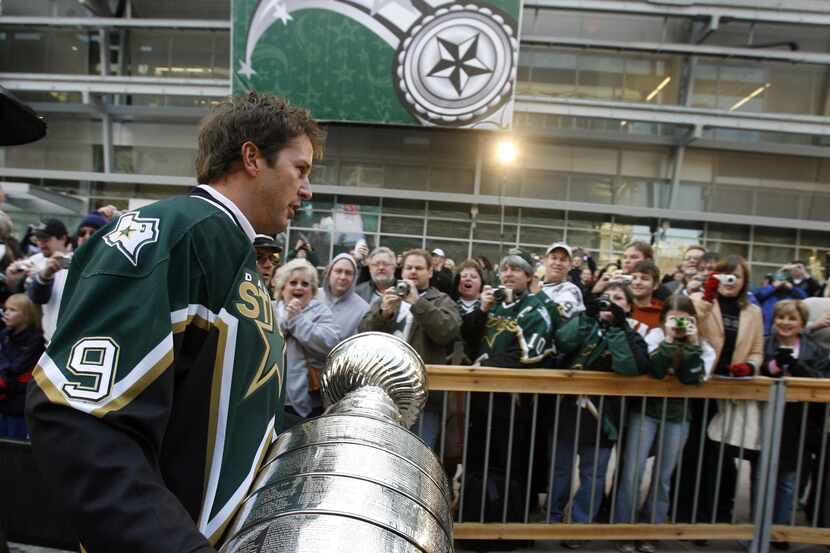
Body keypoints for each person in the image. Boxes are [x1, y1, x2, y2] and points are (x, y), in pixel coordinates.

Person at [25, 92, 323, 552]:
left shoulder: (233, 250)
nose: (307, 189)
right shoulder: (176, 233)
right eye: (299, 169)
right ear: (251, 157)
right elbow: (80, 419)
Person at [549, 283, 651, 548]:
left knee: (593, 475)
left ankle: (580, 526)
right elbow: (563, 341)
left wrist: (617, 327)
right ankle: (552, 520)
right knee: (559, 470)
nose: (610, 303)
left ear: (628, 307)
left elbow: (627, 366)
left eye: (618, 299)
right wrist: (585, 316)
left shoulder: (632, 336)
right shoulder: (585, 324)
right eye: (606, 298)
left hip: (603, 417)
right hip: (568, 409)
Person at [460, 248, 553, 541]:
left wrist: (484, 365)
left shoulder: (536, 309)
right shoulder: (495, 304)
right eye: (505, 269)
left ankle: (508, 529)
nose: (509, 274)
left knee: (510, 464)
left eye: (516, 269)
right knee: (476, 459)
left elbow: (527, 355)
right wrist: (482, 310)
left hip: (513, 404)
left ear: (529, 276)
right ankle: (474, 522)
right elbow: (468, 340)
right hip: (482, 398)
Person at [614, 295, 715, 553]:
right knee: (632, 472)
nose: (679, 323)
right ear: (664, 319)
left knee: (664, 476)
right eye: (673, 318)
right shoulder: (655, 337)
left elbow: (693, 378)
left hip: (679, 416)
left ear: (694, 319)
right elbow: (655, 370)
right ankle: (624, 528)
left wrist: (691, 344)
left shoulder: (704, 345)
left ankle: (652, 529)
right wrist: (670, 340)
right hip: (646, 411)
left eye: (685, 318)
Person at [359, 248, 461, 448]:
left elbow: (446, 332)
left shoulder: (442, 300)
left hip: (423, 398)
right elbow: (364, 333)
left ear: (430, 272)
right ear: (401, 271)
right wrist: (384, 313)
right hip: (384, 391)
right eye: (408, 268)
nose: (413, 272)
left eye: (419, 268)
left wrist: (417, 302)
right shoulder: (388, 297)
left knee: (416, 453)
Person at [691, 255, 764, 523]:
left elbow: (757, 351)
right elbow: (691, 324)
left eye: (737, 276)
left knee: (721, 457)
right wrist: (708, 295)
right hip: (701, 387)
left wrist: (749, 367)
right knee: (694, 453)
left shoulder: (754, 312)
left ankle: (716, 514)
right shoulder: (703, 301)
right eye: (725, 275)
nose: (731, 281)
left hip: (731, 391)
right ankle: (690, 512)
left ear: (745, 282)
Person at [761, 300, 830, 548]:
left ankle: (780, 532)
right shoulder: (764, 342)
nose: (785, 323)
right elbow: (756, 368)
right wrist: (774, 366)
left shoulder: (816, 350)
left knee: (789, 480)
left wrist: (797, 367)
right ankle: (759, 528)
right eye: (781, 317)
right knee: (763, 477)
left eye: (791, 318)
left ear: (802, 323)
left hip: (800, 421)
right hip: (767, 417)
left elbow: (822, 378)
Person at [275, 259, 339, 427]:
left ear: (312, 290)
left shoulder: (321, 311)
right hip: (270, 396)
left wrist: (297, 320)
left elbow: (330, 343)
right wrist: (285, 321)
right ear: (282, 288)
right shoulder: (270, 308)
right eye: (293, 283)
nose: (299, 287)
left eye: (305, 284)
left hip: (308, 401)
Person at [12, 219, 72, 343]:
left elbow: (71, 264)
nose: (41, 244)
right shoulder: (38, 258)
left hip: (64, 337)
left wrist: (43, 272)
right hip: (43, 336)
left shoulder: (71, 260)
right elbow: (14, 273)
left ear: (63, 238)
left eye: (46, 239)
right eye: (38, 239)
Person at [0, 293, 45, 439]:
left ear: (26, 315)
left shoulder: (35, 340)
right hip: (4, 398)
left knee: (15, 446)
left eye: (12, 310)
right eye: (6, 309)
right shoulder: (5, 335)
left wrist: (4, 375)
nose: (6, 313)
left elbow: (18, 367)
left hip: (21, 401)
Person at [320, 252, 369, 340]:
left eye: (348, 273)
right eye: (338, 271)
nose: (343, 277)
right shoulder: (312, 296)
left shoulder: (363, 309)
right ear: (329, 272)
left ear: (355, 277)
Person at [539, 242, 585, 320]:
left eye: (563, 260)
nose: (558, 263)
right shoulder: (535, 285)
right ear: (545, 261)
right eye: (554, 258)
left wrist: (537, 293)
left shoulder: (571, 290)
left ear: (570, 266)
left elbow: (560, 317)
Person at [754, 270, 807, 335]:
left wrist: (792, 288)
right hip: (766, 331)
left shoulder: (791, 294)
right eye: (778, 281)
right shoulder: (767, 292)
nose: (781, 283)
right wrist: (773, 287)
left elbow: (804, 297)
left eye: (783, 281)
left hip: (787, 330)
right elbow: (758, 295)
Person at [629, 260, 663, 331]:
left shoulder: (663, 314)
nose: (637, 282)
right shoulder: (620, 307)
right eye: (634, 278)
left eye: (644, 279)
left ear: (655, 285)